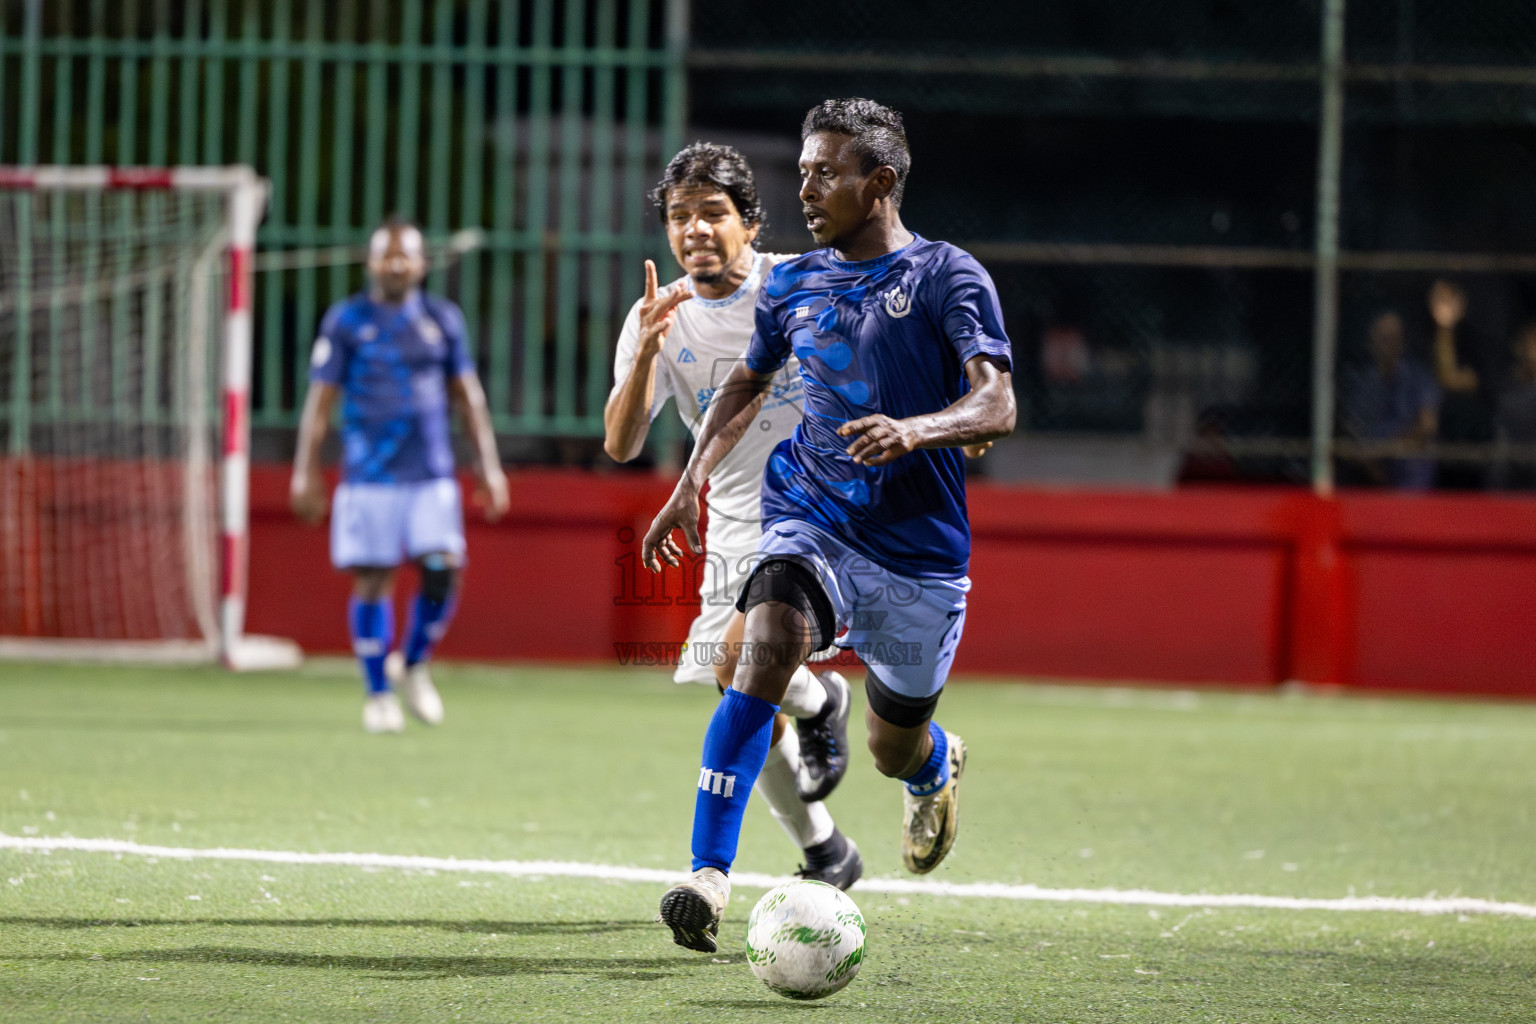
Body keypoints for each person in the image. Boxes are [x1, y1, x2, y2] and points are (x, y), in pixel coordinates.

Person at [641, 98, 1016, 952]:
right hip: (811, 519)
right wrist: (689, 482)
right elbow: (746, 382)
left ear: (879, 183)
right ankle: (707, 874)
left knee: (891, 747)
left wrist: (916, 430)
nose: (806, 189)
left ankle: (933, 763)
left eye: (825, 173)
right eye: (804, 171)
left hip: (918, 552)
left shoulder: (946, 275)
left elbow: (998, 402)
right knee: (759, 643)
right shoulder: (795, 283)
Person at [603, 142, 862, 890]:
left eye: (712, 213)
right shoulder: (657, 316)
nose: (694, 229)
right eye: (679, 216)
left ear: (749, 222)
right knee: (744, 689)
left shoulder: (799, 282)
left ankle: (723, 864)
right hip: (737, 518)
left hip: (823, 507)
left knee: (739, 669)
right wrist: (647, 353)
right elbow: (620, 444)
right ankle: (825, 845)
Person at [291, 218, 509, 733]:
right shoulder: (347, 320)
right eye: (385, 255)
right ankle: (377, 694)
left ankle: (412, 663)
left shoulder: (441, 319)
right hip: (369, 474)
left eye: (404, 255)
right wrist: (306, 469)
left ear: (421, 263)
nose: (394, 264)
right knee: (374, 577)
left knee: (442, 568)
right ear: (370, 262)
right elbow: (320, 400)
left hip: (430, 471)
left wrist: (489, 465)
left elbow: (468, 396)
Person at [1339, 310, 1440, 490]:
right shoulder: (1364, 382)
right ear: (1370, 343)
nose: (1389, 344)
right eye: (1383, 338)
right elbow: (1351, 430)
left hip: (1410, 472)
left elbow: (1427, 425)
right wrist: (1371, 466)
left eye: (1394, 337)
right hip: (1370, 474)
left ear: (1402, 342)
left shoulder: (1418, 376)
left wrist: (1382, 451)